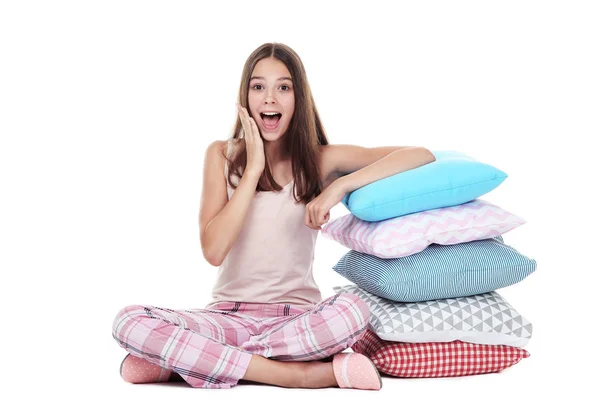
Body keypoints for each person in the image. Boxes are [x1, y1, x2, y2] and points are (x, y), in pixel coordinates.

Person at [111, 42, 436, 390]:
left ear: (299, 99)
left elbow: (420, 155)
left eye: (283, 87)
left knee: (352, 311)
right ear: (245, 97)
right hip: (227, 317)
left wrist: (337, 189)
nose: (270, 98)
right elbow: (213, 251)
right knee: (129, 321)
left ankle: (190, 362)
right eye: (258, 86)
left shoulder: (321, 160)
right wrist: (252, 171)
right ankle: (296, 374)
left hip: (296, 321)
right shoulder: (221, 155)